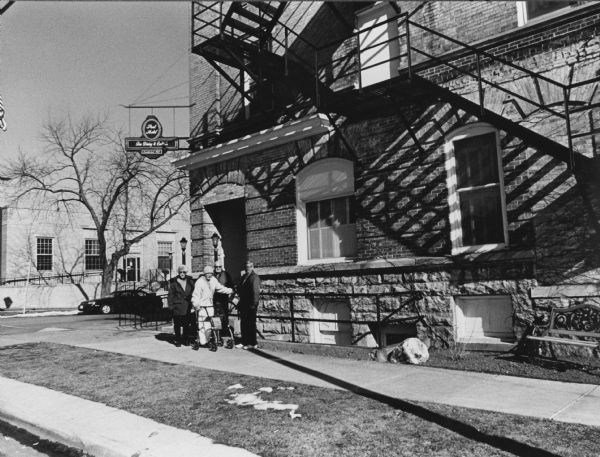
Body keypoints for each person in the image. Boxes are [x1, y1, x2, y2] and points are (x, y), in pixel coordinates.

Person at [191, 265, 233, 347]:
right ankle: (202, 342)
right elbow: (195, 295)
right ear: (204, 274)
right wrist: (196, 304)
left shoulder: (213, 280)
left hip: (210, 306)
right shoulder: (199, 282)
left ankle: (207, 340)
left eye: (211, 273)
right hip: (202, 306)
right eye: (207, 273)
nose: (209, 275)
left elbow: (220, 288)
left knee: (209, 325)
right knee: (202, 324)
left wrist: (230, 290)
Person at [167, 265, 195, 347]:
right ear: (178, 273)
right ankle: (178, 339)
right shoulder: (174, 283)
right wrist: (171, 306)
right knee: (177, 324)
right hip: (177, 307)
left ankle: (185, 339)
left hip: (187, 306)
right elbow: (170, 295)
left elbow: (194, 291)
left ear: (186, 273)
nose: (182, 274)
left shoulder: (190, 281)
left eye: (184, 272)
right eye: (180, 272)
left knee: (186, 324)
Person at [236, 261, 261, 350]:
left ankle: (253, 342)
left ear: (252, 267)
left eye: (250, 267)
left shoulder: (255, 277)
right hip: (243, 304)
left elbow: (255, 292)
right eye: (246, 267)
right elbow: (239, 288)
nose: (248, 269)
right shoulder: (243, 277)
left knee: (251, 324)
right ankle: (244, 341)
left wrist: (254, 303)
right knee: (244, 323)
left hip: (251, 304)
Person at [213, 260, 234, 336]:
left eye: (219, 267)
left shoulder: (226, 275)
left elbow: (231, 285)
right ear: (214, 267)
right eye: (216, 267)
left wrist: (230, 294)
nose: (217, 268)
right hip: (214, 300)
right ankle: (217, 334)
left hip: (224, 299)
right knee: (215, 317)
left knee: (224, 316)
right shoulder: (211, 275)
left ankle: (224, 332)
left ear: (221, 267)